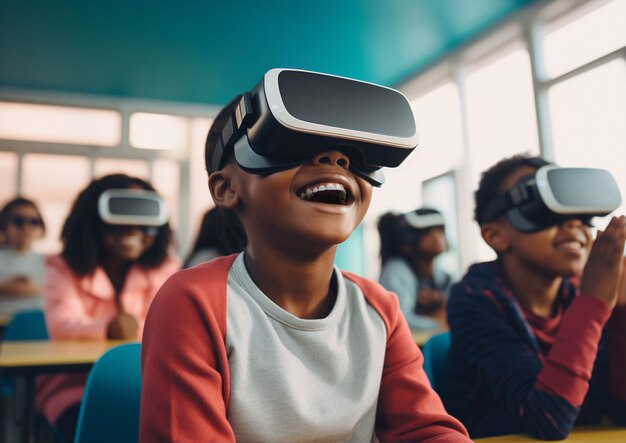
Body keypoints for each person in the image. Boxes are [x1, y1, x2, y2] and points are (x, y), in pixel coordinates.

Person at [140, 69, 471, 442]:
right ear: (226, 189)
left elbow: (425, 430)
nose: (336, 158)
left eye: (353, 152)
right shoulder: (193, 303)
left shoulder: (379, 308)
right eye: (293, 143)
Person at [444, 154, 626, 440]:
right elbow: (547, 420)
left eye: (578, 210)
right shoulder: (473, 300)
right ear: (495, 235)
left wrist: (621, 314)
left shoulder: (578, 297)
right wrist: (593, 304)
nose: (572, 222)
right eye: (542, 205)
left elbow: (620, 410)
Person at [34, 174, 180, 442]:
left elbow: (176, 326)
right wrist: (109, 328)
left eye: (144, 223)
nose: (133, 231)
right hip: (74, 385)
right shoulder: (63, 267)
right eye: (121, 221)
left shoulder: (166, 267)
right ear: (94, 223)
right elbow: (62, 324)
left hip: (148, 383)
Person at [378, 208, 452, 330]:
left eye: (440, 229)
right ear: (407, 241)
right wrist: (441, 323)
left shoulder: (445, 276)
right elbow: (401, 318)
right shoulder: (396, 270)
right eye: (427, 232)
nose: (437, 236)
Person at [0, 197, 47, 315]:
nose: (26, 228)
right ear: (4, 224)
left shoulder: (48, 262)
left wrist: (34, 289)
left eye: (34, 221)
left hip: (38, 327)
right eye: (19, 221)